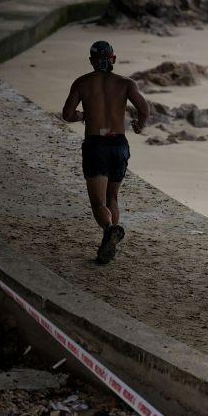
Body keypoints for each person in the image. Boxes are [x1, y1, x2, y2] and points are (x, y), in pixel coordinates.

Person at [61, 41, 149, 264]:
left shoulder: (82, 83)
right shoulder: (126, 83)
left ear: (91, 61)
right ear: (113, 59)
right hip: (119, 144)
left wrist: (83, 116)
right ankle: (109, 242)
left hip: (96, 145)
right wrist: (139, 125)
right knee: (112, 198)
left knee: (98, 203)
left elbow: (67, 114)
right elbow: (143, 108)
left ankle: (109, 228)